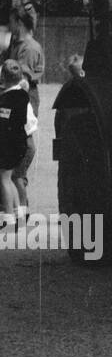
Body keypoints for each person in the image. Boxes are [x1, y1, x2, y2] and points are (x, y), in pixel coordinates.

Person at [5, 2, 43, 218]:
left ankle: (21, 209)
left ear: (19, 22)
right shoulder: (19, 45)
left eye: (11, 21)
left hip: (20, 108)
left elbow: (20, 82)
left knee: (16, 166)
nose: (9, 26)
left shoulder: (28, 48)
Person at [0, 59, 37, 232]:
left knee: (7, 179)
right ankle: (19, 217)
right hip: (22, 142)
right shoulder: (21, 96)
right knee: (14, 178)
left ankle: (9, 219)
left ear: (3, 77)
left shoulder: (9, 99)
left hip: (13, 144)